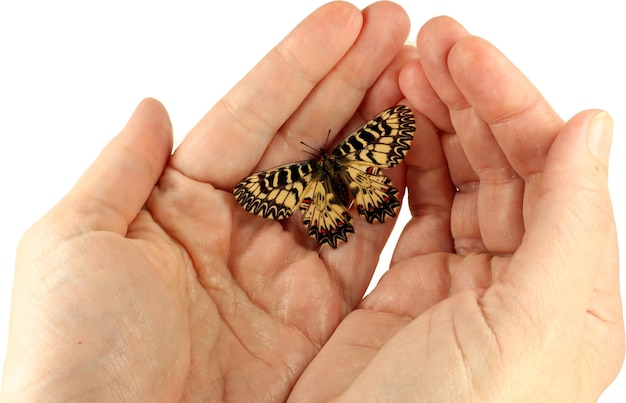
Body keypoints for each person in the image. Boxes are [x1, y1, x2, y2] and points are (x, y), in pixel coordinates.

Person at [2, 2, 623, 401]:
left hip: (322, 198)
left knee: (337, 196)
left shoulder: (299, 179)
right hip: (356, 179)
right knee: (359, 184)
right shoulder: (359, 152)